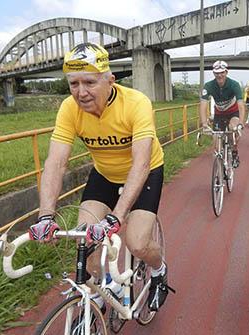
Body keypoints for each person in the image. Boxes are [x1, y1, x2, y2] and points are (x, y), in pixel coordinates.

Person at [28, 42, 173, 312]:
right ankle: (103, 289)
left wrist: (116, 217)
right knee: (87, 242)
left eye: (89, 82)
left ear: (110, 80)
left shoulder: (136, 103)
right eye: (73, 84)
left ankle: (159, 270)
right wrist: (45, 214)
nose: (81, 93)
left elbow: (140, 163)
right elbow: (55, 162)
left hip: (144, 172)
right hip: (104, 174)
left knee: (137, 243)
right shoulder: (69, 109)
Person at [199, 60, 245, 167]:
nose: (219, 75)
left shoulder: (234, 85)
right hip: (219, 114)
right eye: (217, 73)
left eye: (222, 72)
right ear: (214, 73)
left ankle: (234, 152)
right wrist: (204, 123)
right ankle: (218, 172)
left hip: (233, 113)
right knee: (216, 142)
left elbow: (241, 105)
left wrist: (241, 122)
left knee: (233, 129)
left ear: (226, 72)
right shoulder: (208, 85)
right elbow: (203, 104)